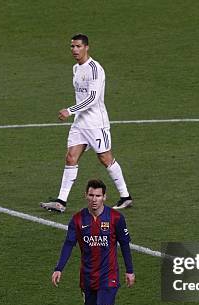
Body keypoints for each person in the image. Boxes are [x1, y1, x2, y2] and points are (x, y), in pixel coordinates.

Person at [40, 34, 133, 213]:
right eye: (72, 46)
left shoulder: (95, 69)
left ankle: (126, 196)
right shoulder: (76, 68)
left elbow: (93, 98)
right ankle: (61, 202)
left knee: (105, 158)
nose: (74, 50)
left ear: (87, 47)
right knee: (70, 157)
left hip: (96, 123)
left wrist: (70, 110)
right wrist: (75, 114)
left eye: (78, 46)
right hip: (80, 123)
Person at [51, 179, 135, 305]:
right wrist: (59, 268)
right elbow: (68, 244)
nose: (94, 199)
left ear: (104, 197)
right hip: (88, 278)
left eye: (98, 196)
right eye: (91, 195)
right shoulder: (78, 220)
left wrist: (130, 270)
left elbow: (124, 245)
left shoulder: (115, 218)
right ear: (86, 196)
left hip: (109, 277)